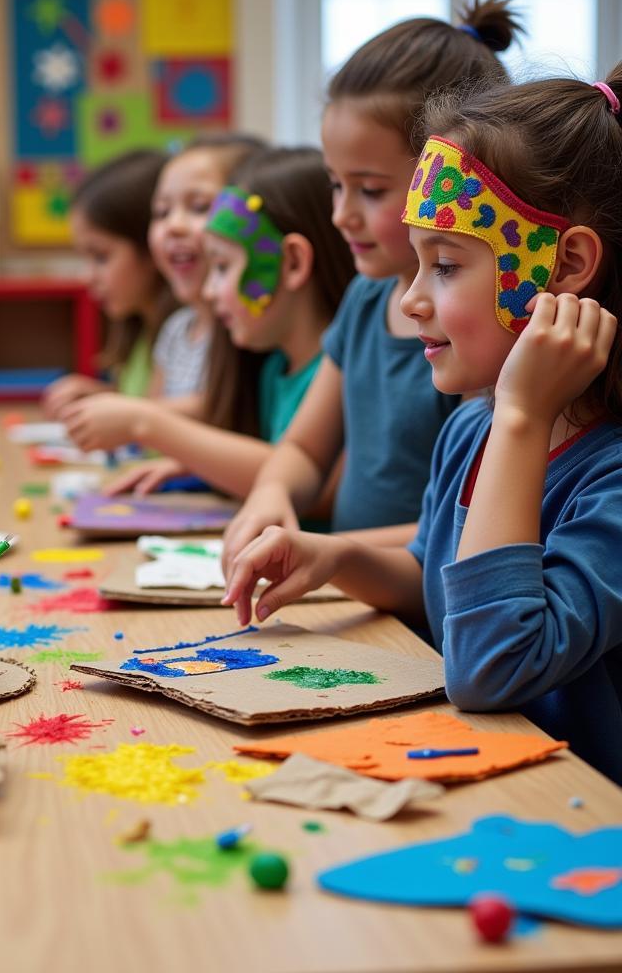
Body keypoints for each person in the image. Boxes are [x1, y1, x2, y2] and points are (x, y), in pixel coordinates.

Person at [224, 71, 622, 784]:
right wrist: (338, 559)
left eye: (443, 266)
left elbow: (491, 664)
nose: (409, 300)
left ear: (566, 266)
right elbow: (436, 575)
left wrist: (523, 417)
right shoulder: (474, 430)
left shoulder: (600, 473)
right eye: (415, 263)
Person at [222, 0, 520, 573]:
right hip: (356, 590)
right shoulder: (365, 300)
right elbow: (305, 448)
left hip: (419, 614)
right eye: (336, 184)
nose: (341, 214)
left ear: (445, 180)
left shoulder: (476, 327)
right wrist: (272, 492)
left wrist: (334, 554)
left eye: (372, 189)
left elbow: (456, 532)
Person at [68, 148, 354, 503]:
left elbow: (318, 488)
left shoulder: (339, 369)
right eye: (161, 212)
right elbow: (277, 461)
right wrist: (194, 466)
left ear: (293, 263)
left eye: (221, 267)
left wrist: (147, 424)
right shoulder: (275, 369)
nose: (209, 289)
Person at [43, 149, 175, 416]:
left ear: (151, 247)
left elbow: (157, 422)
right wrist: (101, 396)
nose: (87, 276)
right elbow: (148, 409)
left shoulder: (181, 337)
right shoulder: (140, 332)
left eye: (101, 257)